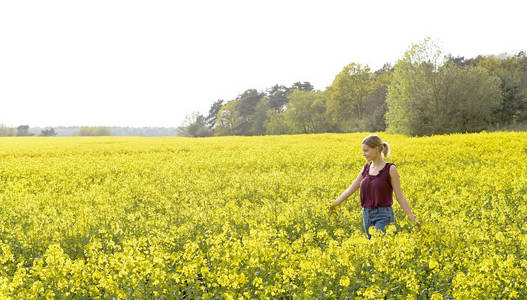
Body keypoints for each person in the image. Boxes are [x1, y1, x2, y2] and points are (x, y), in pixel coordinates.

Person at [327, 135, 421, 239]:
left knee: (378, 245)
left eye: (366, 151)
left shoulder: (390, 169)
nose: (363, 154)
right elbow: (350, 189)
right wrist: (334, 204)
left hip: (384, 215)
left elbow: (400, 197)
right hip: (366, 214)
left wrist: (413, 220)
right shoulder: (366, 168)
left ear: (376, 149)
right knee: (374, 250)